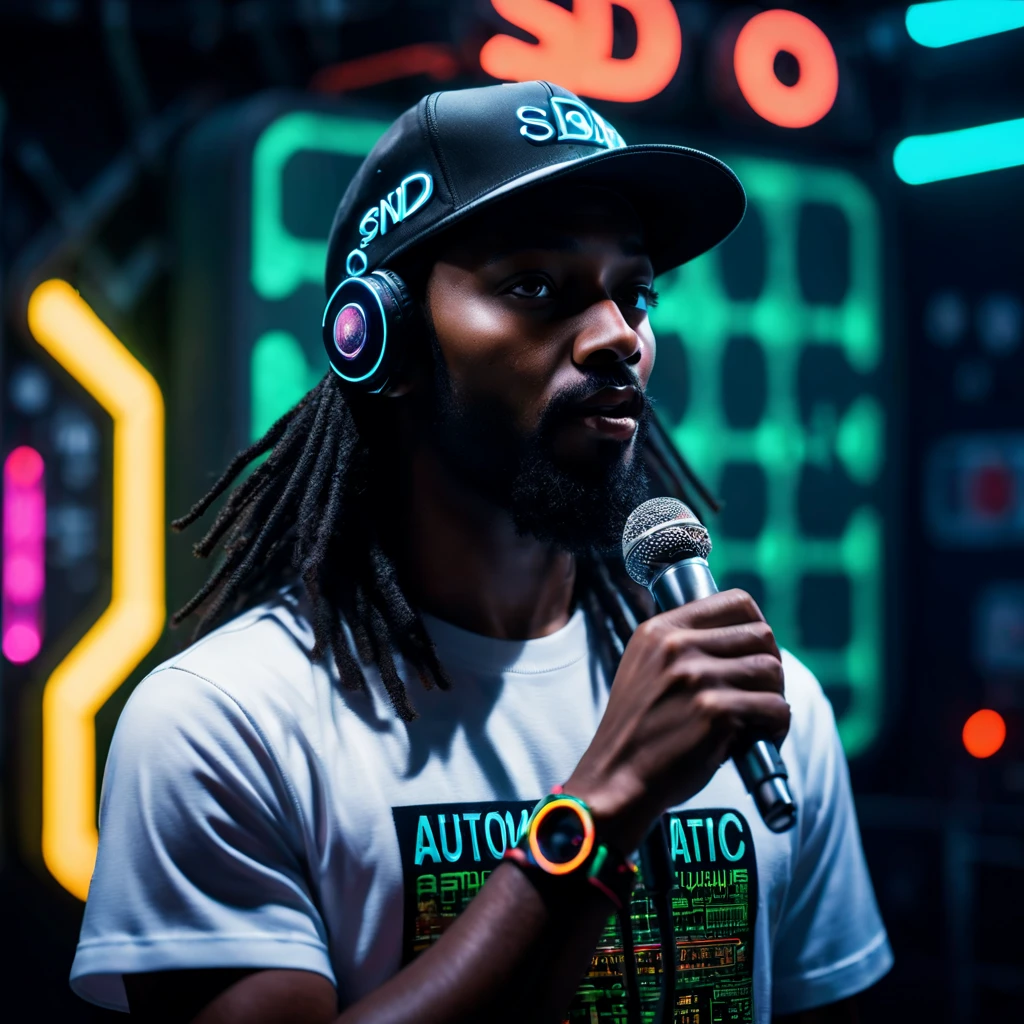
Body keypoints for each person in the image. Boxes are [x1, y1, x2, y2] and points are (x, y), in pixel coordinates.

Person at [71, 81, 892, 1023]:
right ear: (377, 339)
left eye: (635, 293)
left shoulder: (763, 707)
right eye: (536, 287)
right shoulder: (223, 726)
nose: (617, 337)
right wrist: (600, 808)